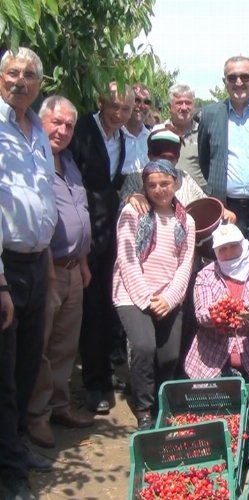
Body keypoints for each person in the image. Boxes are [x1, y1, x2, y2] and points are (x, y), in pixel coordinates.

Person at [0, 47, 58, 498]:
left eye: (29, 74)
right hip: (6, 268)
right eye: (12, 72)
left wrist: (49, 265)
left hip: (37, 263)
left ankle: (15, 446)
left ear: (39, 83)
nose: (20, 80)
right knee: (3, 372)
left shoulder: (37, 127)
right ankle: (12, 474)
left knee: (23, 368)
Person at [26, 96, 94, 451]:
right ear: (41, 121)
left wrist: (82, 262)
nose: (63, 130)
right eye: (56, 122)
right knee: (41, 344)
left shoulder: (68, 161)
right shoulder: (33, 160)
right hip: (47, 268)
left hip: (72, 268)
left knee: (66, 344)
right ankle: (35, 417)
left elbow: (78, 212)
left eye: (69, 125)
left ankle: (58, 406)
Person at [112, 159, 195, 430]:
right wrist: (146, 300)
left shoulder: (187, 221)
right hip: (132, 292)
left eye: (165, 184)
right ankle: (144, 406)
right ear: (145, 187)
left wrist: (170, 299)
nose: (159, 190)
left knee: (169, 355)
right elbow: (127, 260)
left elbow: (185, 263)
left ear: (176, 184)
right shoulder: (132, 213)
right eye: (152, 185)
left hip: (168, 294)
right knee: (144, 347)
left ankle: (162, 399)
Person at [69, 80, 134, 414]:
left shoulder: (122, 138)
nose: (119, 114)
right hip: (85, 233)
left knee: (108, 306)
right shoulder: (81, 131)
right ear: (100, 103)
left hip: (110, 233)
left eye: (126, 109)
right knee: (92, 308)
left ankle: (106, 373)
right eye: (114, 107)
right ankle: (95, 384)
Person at [184, 224, 249, 390]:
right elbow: (201, 314)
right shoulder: (206, 275)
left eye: (233, 246)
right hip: (212, 357)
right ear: (216, 252)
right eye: (223, 248)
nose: (229, 252)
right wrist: (216, 314)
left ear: (243, 245)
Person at [198, 56, 249, 236]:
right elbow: (205, 160)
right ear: (224, 81)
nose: (239, 82)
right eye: (232, 78)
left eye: (244, 77)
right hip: (226, 209)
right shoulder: (210, 114)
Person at [164, 83, 207, 190]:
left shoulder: (204, 133)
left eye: (188, 103)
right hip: (166, 199)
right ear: (169, 107)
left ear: (194, 106)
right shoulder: (159, 133)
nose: (184, 108)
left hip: (198, 200)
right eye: (179, 103)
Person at [121, 83, 152, 175]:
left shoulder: (151, 139)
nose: (142, 106)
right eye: (137, 100)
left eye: (146, 102)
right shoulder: (115, 134)